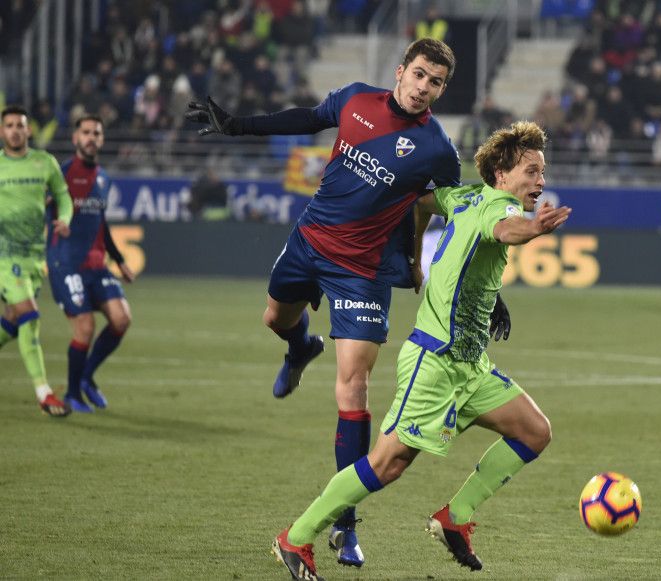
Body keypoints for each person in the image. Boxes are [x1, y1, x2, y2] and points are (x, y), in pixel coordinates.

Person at [185, 38, 512, 567]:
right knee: (275, 318)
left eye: (436, 82)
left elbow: (459, 213)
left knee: (355, 385)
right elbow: (307, 118)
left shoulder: (438, 150)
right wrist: (237, 124)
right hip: (309, 241)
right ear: (400, 71)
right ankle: (298, 349)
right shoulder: (357, 100)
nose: (424, 87)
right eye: (419, 75)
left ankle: (345, 525)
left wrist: (478, 288)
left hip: (361, 273)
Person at [271, 121, 571, 580]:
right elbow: (504, 229)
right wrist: (531, 230)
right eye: (531, 171)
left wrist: (414, 257)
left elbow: (422, 202)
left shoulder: (465, 195)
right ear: (503, 174)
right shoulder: (498, 207)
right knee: (385, 464)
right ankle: (296, 537)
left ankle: (455, 517)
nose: (540, 181)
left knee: (534, 431)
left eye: (542, 172)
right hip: (434, 362)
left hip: (471, 366)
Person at [46, 114, 135, 413]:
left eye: (96, 133)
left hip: (97, 264)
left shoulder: (103, 177)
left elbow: (101, 221)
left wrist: (119, 259)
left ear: (102, 139)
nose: (91, 138)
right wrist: (54, 222)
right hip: (66, 263)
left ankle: (85, 378)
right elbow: (42, 210)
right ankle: (72, 393)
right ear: (75, 138)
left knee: (122, 319)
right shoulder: (61, 174)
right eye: (85, 132)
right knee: (85, 327)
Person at [0, 105, 73, 417]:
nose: (16, 130)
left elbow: (63, 195)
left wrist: (65, 218)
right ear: (2, 132)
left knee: (14, 322)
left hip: (34, 255)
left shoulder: (45, 162)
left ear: (28, 130)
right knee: (30, 315)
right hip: (5, 255)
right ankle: (44, 394)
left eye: (21, 125)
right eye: (10, 125)